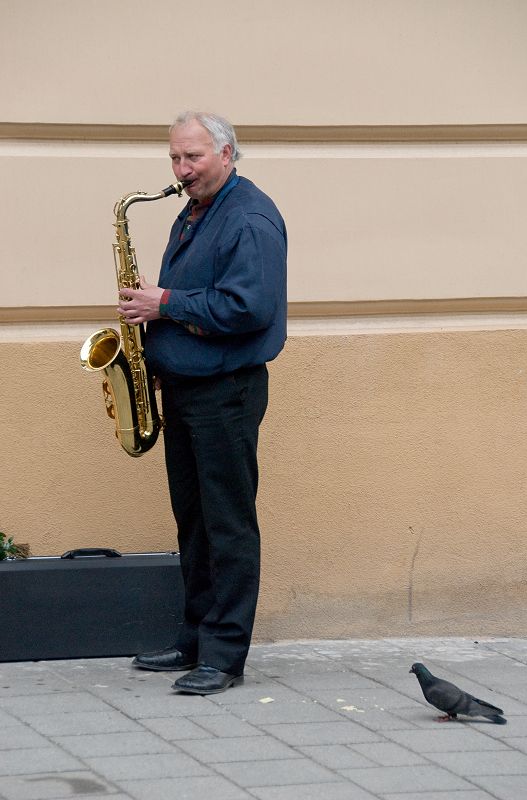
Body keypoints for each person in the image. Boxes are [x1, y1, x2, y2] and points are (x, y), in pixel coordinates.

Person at [117, 111, 287, 695]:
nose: (181, 170)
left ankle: (224, 655)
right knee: (193, 521)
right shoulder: (194, 211)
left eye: (193, 157)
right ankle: (194, 638)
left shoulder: (250, 218)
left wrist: (164, 303)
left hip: (226, 393)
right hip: (189, 389)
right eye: (175, 158)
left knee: (228, 524)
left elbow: (249, 308)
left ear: (227, 154)